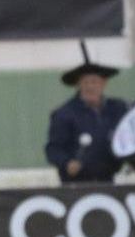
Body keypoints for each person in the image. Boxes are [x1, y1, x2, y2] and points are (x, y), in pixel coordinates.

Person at [45, 49, 129, 184]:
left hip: (108, 181)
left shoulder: (117, 107)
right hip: (75, 185)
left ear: (103, 83)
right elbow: (53, 149)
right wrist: (66, 163)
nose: (90, 87)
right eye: (86, 82)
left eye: (95, 82)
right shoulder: (64, 114)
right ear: (78, 85)